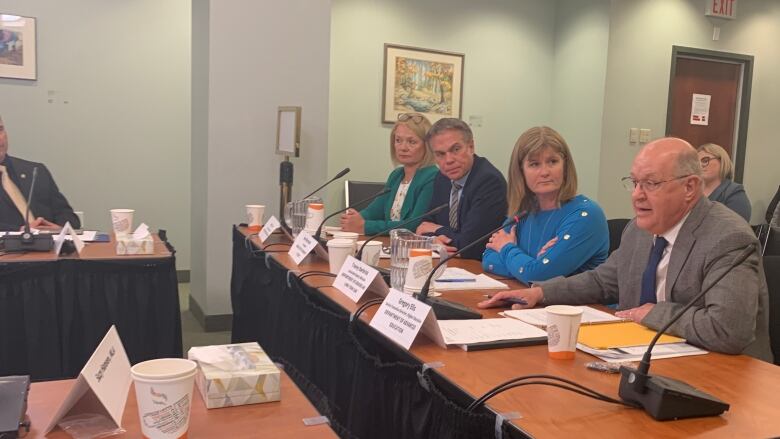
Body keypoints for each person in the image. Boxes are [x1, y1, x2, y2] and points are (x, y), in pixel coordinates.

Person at [479, 138, 772, 362]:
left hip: (721, 375)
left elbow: (728, 330)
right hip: (641, 359)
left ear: (690, 188)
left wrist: (654, 313)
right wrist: (540, 293)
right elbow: (602, 280)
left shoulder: (728, 237)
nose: (637, 195)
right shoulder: (639, 230)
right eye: (634, 183)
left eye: (650, 184)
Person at [482, 127, 608, 283]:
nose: (545, 172)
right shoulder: (523, 211)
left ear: (565, 166)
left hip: (578, 306)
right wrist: (534, 264)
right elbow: (488, 260)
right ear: (521, 171)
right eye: (534, 164)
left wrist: (507, 248)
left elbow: (538, 277)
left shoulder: (587, 216)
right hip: (529, 302)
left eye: (552, 162)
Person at [415, 118, 507, 260]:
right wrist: (433, 241)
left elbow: (469, 245)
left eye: (455, 149)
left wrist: (436, 230)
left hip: (478, 267)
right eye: (440, 154)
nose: (449, 160)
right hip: (448, 263)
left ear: (471, 147)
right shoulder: (442, 177)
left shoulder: (488, 181)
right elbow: (424, 225)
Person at [340, 113, 438, 235]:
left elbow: (413, 224)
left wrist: (365, 226)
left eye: (412, 142)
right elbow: (375, 211)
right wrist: (355, 219)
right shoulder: (397, 175)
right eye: (398, 140)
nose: (403, 147)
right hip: (390, 244)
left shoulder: (433, 176)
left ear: (427, 145)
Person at [0, 115, 80, 231]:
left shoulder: (35, 171)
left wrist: (59, 228)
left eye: (0, 130)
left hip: (48, 246)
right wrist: (20, 232)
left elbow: (68, 217)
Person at [697, 143, 751, 222]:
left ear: (722, 161)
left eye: (705, 160)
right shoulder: (691, 191)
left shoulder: (735, 194)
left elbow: (735, 230)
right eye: (696, 162)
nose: (700, 165)